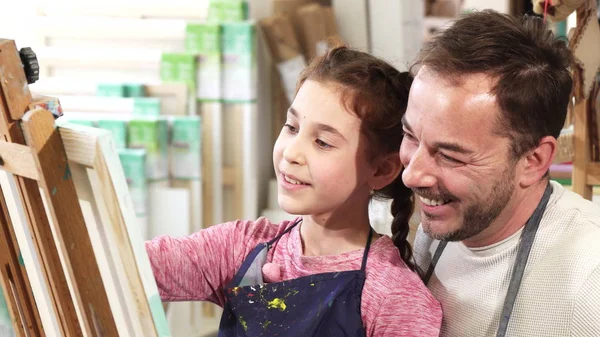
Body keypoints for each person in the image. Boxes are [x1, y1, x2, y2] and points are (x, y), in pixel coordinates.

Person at [146, 46, 442, 337]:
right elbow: (130, 267)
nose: (292, 153)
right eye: (291, 126)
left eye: (322, 142)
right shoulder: (244, 249)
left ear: (380, 170)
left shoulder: (395, 299)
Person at [401, 9, 600, 337]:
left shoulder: (589, 277)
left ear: (534, 160)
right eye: (410, 136)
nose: (412, 175)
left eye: (450, 156)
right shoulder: (436, 227)